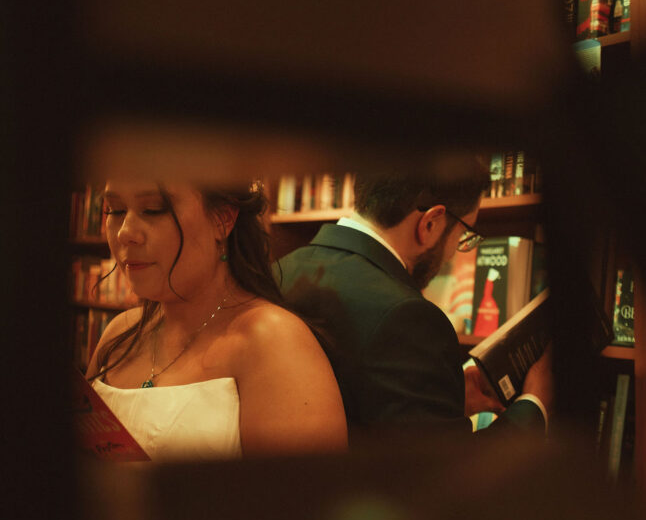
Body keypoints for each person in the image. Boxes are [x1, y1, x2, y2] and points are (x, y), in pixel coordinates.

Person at [275, 167, 552, 442]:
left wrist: (445, 400)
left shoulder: (279, 271)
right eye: (463, 234)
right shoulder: (409, 315)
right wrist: (535, 403)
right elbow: (449, 464)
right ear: (431, 223)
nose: (454, 253)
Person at [86, 178, 347, 460]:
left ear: (222, 219)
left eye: (153, 209)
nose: (125, 233)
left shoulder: (273, 341)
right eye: (115, 210)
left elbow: (307, 486)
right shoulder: (120, 332)